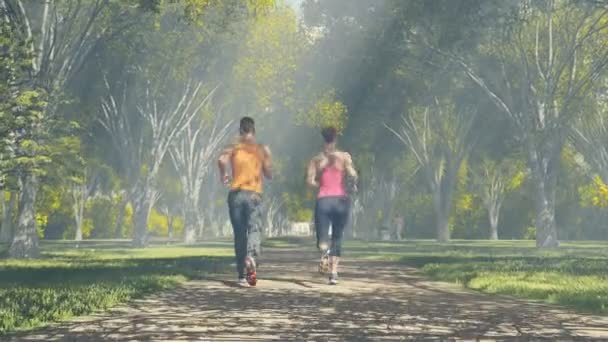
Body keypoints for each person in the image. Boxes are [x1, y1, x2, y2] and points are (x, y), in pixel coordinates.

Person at [218, 117, 272, 287]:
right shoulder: (261, 149)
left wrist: (224, 175)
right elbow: (269, 173)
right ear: (253, 131)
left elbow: (221, 160)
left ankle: (241, 276)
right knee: (254, 229)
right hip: (254, 194)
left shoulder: (233, 146)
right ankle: (250, 256)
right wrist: (266, 164)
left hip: (236, 195)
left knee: (239, 235)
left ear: (240, 130)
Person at [307, 126, 357, 285]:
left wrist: (321, 185)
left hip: (323, 201)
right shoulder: (343, 157)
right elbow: (353, 175)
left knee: (322, 238)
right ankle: (334, 273)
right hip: (341, 200)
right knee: (337, 237)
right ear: (335, 139)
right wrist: (351, 185)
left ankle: (324, 251)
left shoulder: (316, 160)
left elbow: (309, 181)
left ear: (323, 139)